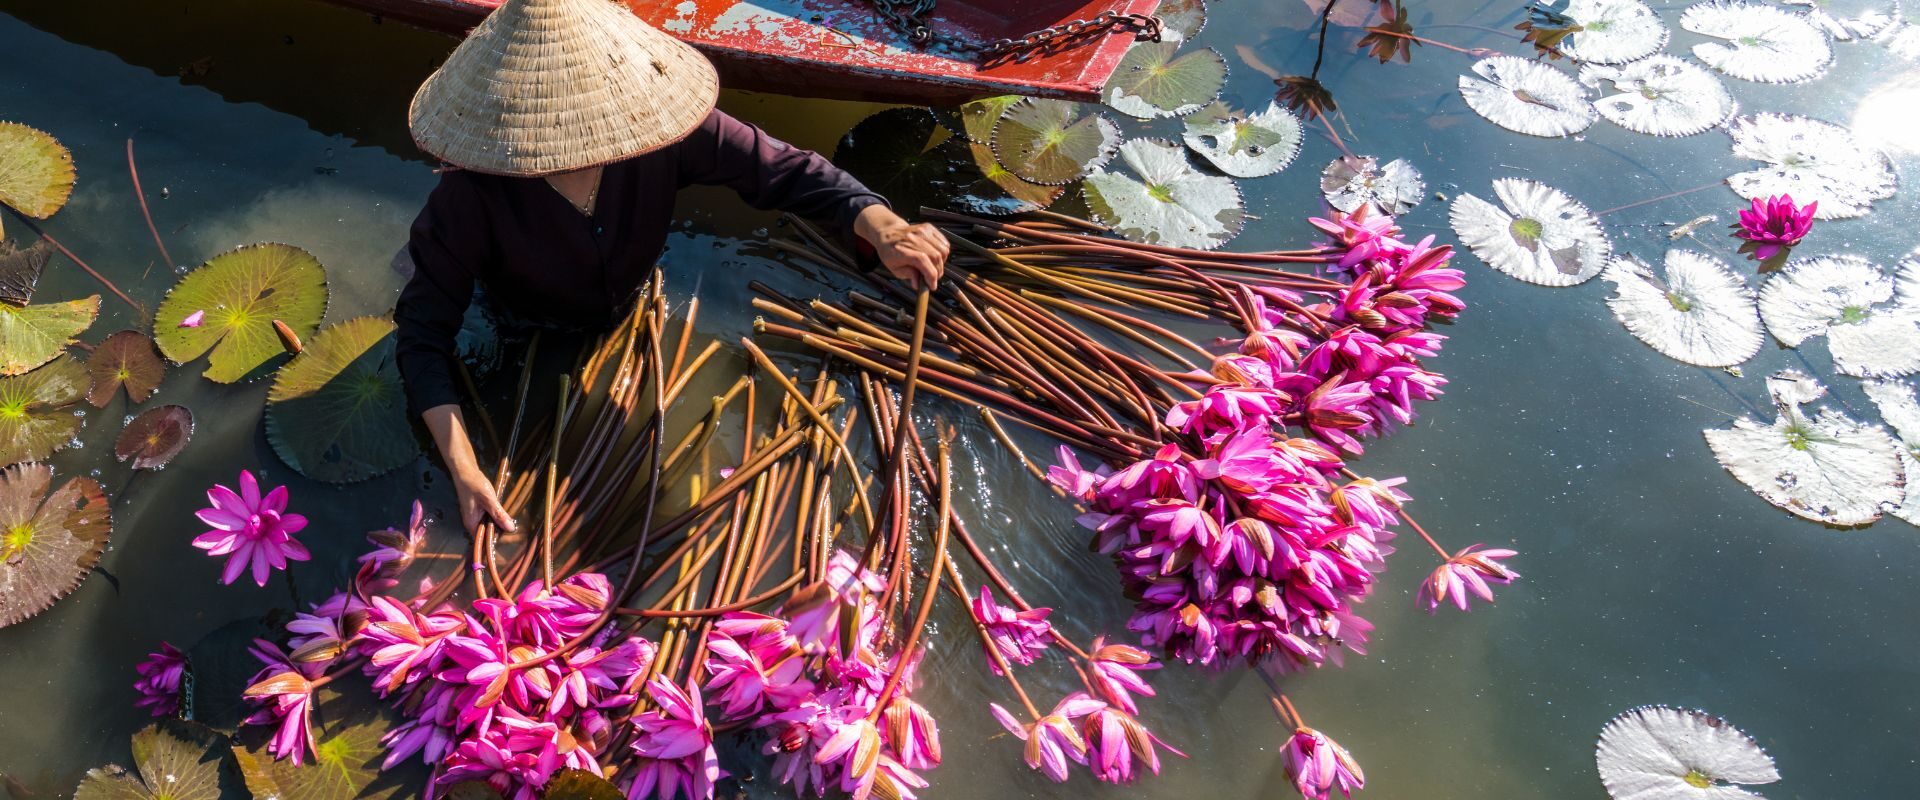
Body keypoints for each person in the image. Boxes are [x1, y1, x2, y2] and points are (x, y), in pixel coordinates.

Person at [396, 0, 947, 535]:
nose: (580, 146)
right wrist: (466, 471)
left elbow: (786, 170)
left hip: (626, 299)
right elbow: (423, 337)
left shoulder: (655, 131)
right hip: (524, 322)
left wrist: (880, 224)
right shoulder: (469, 197)